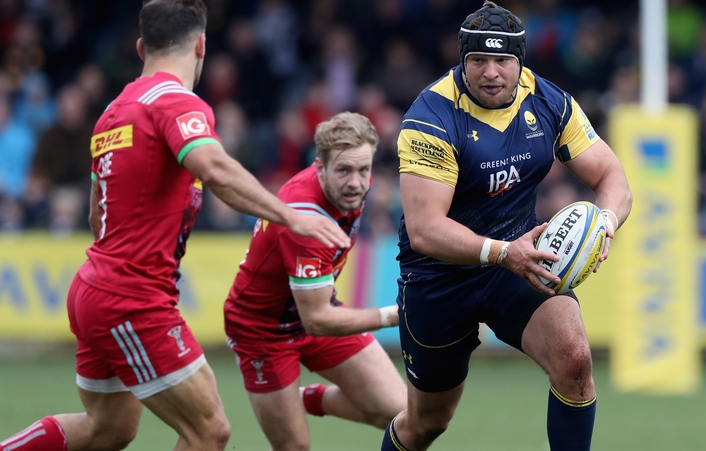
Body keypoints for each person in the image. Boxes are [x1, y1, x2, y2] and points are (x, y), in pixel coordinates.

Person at [0, 1, 350, 451]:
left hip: (95, 287)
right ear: (201, 44)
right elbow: (215, 168)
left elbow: (95, 214)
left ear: (142, 46)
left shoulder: (113, 111)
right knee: (210, 430)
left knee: (108, 428)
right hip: (132, 297)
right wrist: (289, 215)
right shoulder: (177, 102)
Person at [380, 2, 633, 451]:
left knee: (574, 361)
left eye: (503, 61)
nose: (491, 72)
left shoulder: (549, 100)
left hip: (519, 263)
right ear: (462, 61)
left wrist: (605, 224)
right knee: (427, 424)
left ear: (520, 62)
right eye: (478, 60)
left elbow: (613, 178)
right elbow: (424, 230)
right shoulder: (431, 117)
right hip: (439, 277)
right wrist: (503, 252)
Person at [224, 111, 407, 451]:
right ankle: (282, 403)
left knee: (402, 415)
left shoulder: (352, 187)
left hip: (312, 306)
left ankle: (299, 399)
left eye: (363, 170)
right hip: (262, 331)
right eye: (343, 171)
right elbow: (319, 320)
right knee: (295, 447)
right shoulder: (306, 220)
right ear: (320, 168)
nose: (355, 182)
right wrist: (396, 315)